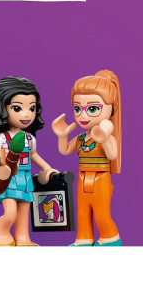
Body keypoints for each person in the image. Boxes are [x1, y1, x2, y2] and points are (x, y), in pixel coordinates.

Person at [0, 76, 57, 246]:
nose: (26, 114)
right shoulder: (1, 139)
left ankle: (23, 239)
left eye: (32, 108)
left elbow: (34, 155)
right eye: (17, 108)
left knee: (24, 211)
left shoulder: (29, 138)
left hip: (26, 178)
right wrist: (1, 169)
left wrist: (47, 168)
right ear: (2, 109)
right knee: (10, 213)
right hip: (9, 179)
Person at [53, 69, 122, 246]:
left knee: (101, 214)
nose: (83, 115)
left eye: (92, 109)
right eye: (78, 108)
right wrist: (62, 135)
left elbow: (112, 155)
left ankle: (110, 239)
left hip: (101, 178)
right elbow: (65, 150)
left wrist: (104, 138)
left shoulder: (108, 136)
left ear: (111, 109)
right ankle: (83, 239)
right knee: (82, 212)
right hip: (83, 178)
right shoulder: (81, 138)